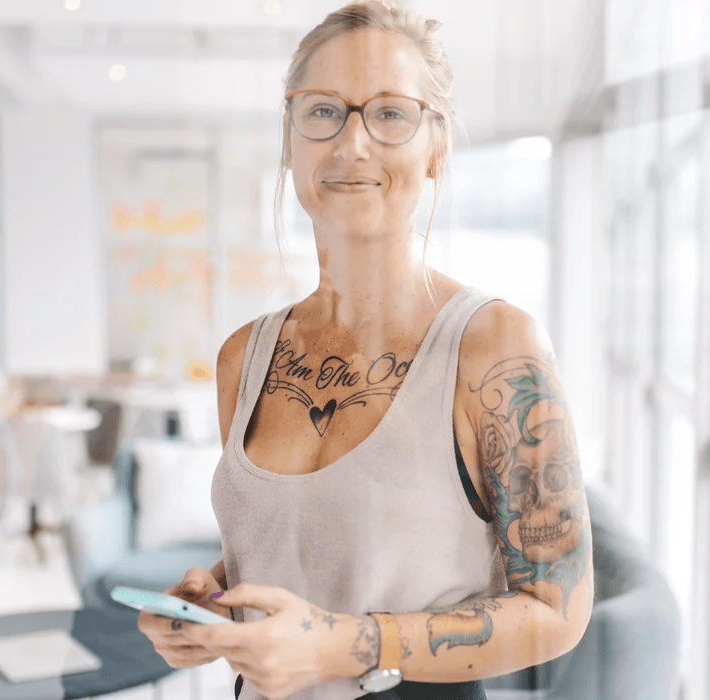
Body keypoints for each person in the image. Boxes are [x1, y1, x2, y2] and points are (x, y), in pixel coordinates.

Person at [137, 2, 594, 699]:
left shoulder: (493, 347)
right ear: (289, 140)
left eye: (389, 114)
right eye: (322, 111)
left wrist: (341, 645)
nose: (351, 145)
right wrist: (214, 602)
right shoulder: (244, 357)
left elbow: (556, 612)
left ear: (435, 146)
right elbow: (302, 550)